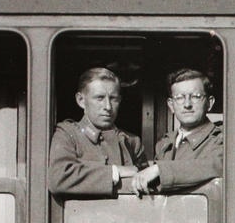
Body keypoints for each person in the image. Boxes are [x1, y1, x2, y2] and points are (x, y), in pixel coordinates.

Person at [49, 67, 147, 196]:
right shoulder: (68, 134)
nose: (107, 107)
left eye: (113, 99)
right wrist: (115, 172)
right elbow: (59, 178)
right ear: (81, 100)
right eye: (99, 98)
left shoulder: (132, 141)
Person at [134, 68, 223, 194]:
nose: (187, 104)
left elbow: (216, 165)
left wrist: (159, 170)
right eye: (179, 97)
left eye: (195, 97)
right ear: (171, 105)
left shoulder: (221, 139)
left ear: (209, 102)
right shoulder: (164, 144)